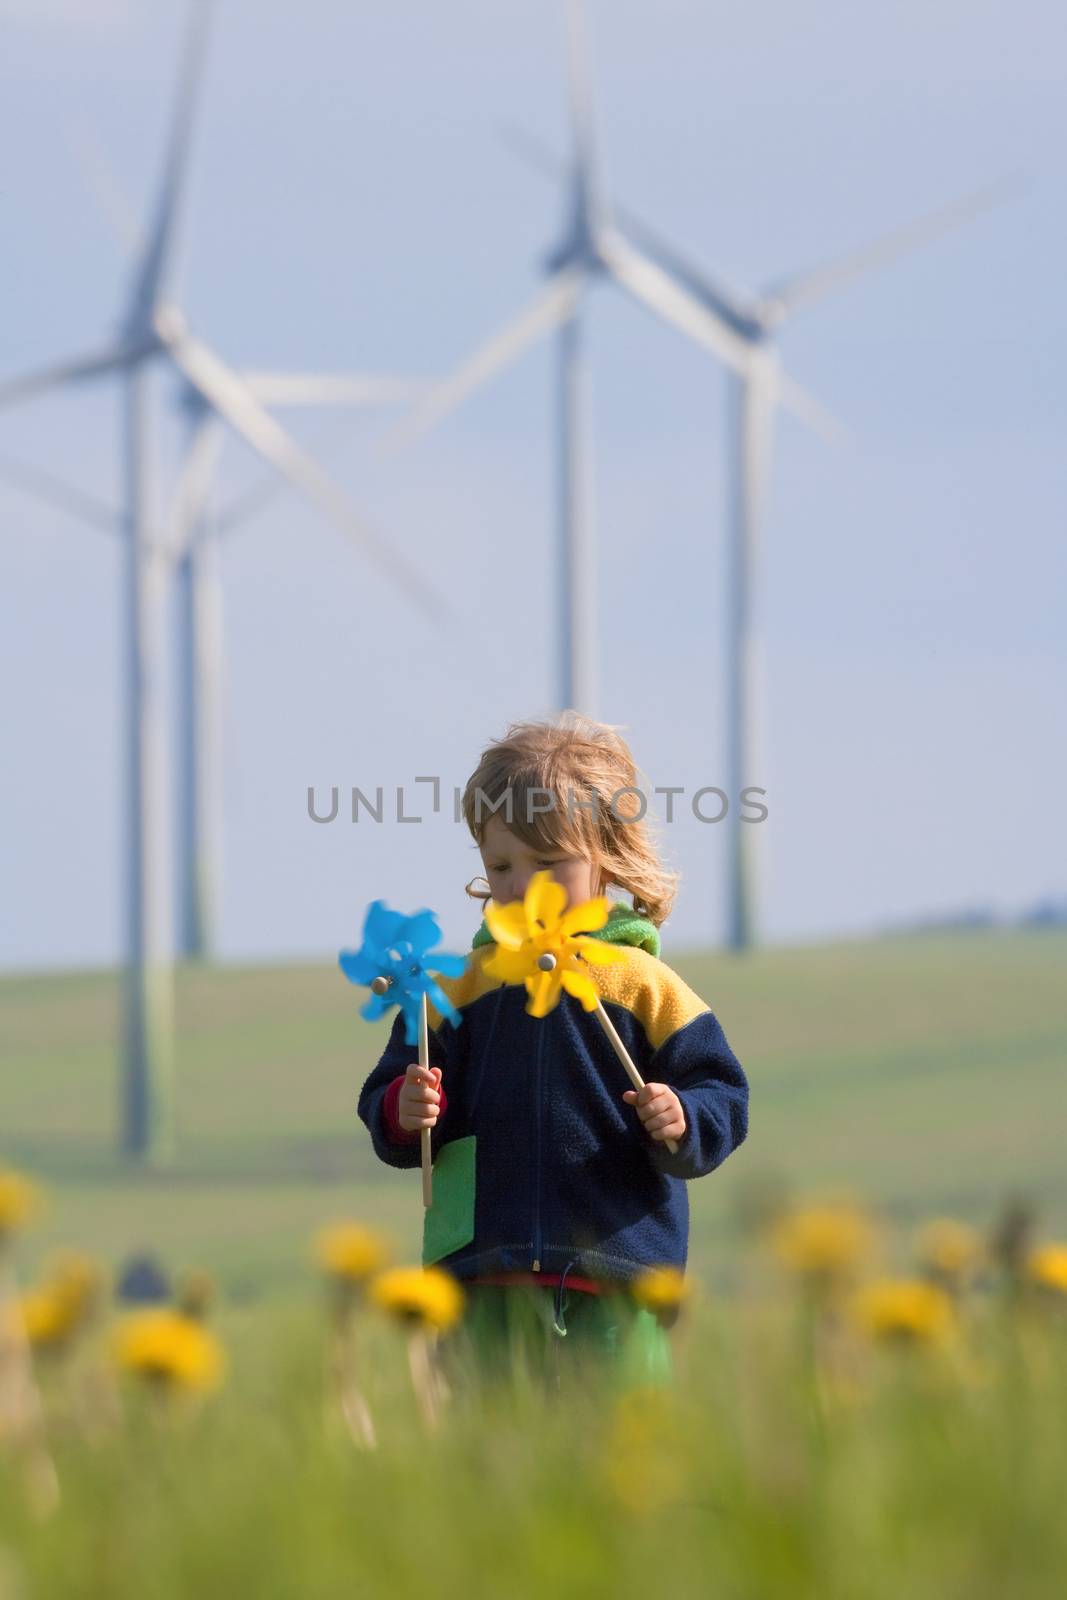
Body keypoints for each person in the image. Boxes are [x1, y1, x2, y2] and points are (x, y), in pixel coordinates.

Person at [357, 711, 749, 1394]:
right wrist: (404, 1108)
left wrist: (681, 1117)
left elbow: (722, 1093)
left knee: (619, 1454)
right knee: (485, 1455)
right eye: (500, 865)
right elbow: (386, 1098)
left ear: (607, 856)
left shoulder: (642, 983)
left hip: (616, 1277)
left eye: (547, 864)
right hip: (481, 1273)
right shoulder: (458, 986)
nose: (520, 885)